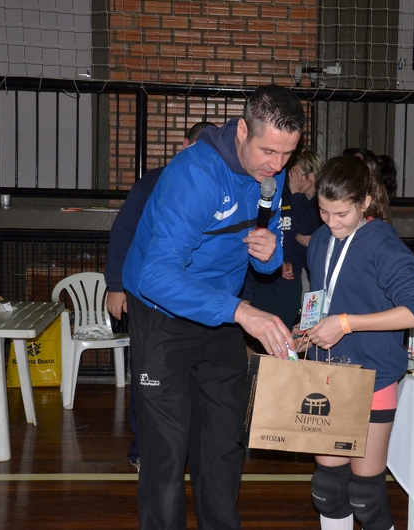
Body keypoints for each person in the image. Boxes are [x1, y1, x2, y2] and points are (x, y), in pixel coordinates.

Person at [121, 84, 305, 530]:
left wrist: (272, 254)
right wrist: (241, 311)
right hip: (163, 315)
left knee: (223, 444)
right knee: (166, 451)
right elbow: (155, 277)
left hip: (222, 312)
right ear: (242, 131)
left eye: (287, 154)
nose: (276, 165)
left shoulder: (272, 173)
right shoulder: (194, 176)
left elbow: (266, 249)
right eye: (268, 151)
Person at [297, 155, 414, 530]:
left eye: (341, 213)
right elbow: (325, 299)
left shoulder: (381, 243)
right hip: (327, 379)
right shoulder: (321, 239)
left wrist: (345, 324)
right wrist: (306, 330)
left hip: (373, 379)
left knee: (365, 495)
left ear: (366, 202)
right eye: (324, 211)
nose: (331, 222)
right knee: (328, 488)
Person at [104, 120, 216, 472]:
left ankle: (189, 452)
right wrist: (116, 285)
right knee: (148, 377)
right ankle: (143, 450)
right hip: (147, 299)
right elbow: (123, 234)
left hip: (195, 302)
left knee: (194, 382)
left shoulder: (217, 184)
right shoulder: (153, 182)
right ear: (183, 145)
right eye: (197, 149)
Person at [241, 149, 322, 333]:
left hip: (293, 280)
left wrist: (292, 262)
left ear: (309, 176)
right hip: (265, 279)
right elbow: (285, 232)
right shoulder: (284, 198)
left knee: (285, 330)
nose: (291, 178)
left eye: (296, 174)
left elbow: (305, 229)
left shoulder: (309, 202)